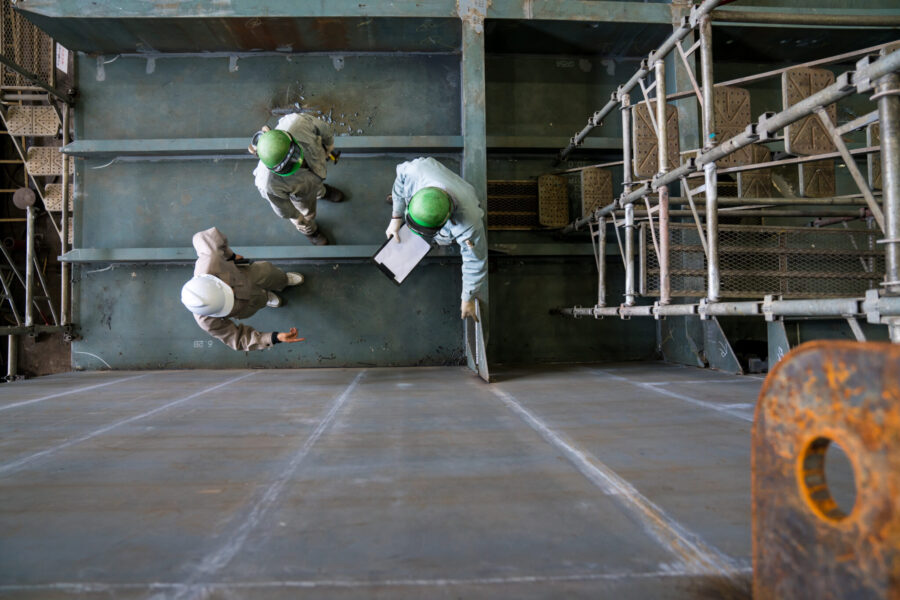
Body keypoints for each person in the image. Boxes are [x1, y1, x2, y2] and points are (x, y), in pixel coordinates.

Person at [385, 157, 486, 320]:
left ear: (446, 220)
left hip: (464, 195)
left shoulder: (469, 222)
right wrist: (396, 217)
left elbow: (475, 262)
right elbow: (400, 182)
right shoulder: (414, 170)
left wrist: (467, 298)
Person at [181, 227, 305, 351]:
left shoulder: (210, 260)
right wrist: (274, 338)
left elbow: (204, 236)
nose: (233, 293)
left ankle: (283, 280)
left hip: (249, 274)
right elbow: (238, 339)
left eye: (228, 290)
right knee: (258, 301)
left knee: (269, 273)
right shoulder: (207, 321)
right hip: (246, 306)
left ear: (214, 280)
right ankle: (265, 297)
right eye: (227, 302)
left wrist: (231, 256)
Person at [250, 113, 344, 246]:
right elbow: (283, 208)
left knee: (316, 183)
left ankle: (322, 192)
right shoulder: (267, 183)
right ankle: (311, 232)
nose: (299, 162)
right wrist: (299, 217)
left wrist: (329, 147)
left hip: (316, 172)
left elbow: (324, 129)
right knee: (307, 215)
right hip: (301, 195)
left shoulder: (299, 122)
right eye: (291, 163)